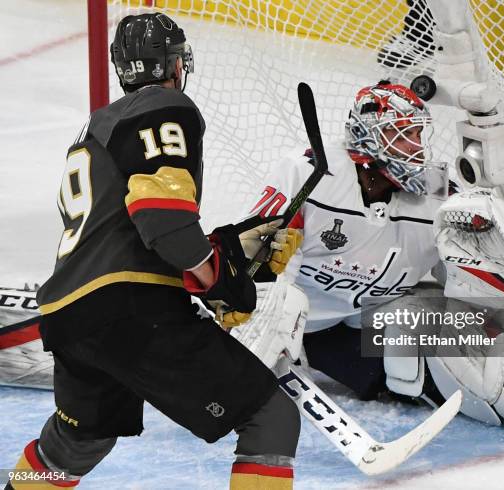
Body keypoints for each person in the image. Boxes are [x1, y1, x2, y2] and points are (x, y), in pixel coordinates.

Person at [5, 13, 301, 490]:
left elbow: (129, 236)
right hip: (130, 313)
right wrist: (218, 277)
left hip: (71, 316)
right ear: (173, 63)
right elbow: (161, 219)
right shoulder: (166, 106)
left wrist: (223, 251)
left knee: (78, 442)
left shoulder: (96, 126)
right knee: (271, 419)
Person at [230, 79, 504, 429]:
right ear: (368, 138)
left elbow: (462, 274)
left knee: (426, 342)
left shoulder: (435, 192)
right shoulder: (309, 172)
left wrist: (503, 275)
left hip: (367, 319)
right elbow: (258, 258)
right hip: (308, 328)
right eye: (404, 135)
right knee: (285, 303)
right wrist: (266, 329)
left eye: (419, 135)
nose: (417, 148)